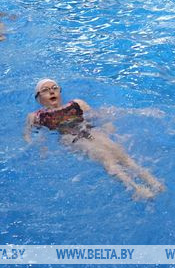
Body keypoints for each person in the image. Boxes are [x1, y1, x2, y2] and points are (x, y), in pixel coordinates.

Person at [24, 79, 165, 201]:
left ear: (60, 91)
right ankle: (136, 188)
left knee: (120, 153)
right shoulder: (36, 116)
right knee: (105, 157)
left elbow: (96, 115)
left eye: (55, 88)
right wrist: (40, 147)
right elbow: (28, 135)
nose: (51, 91)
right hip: (70, 138)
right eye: (45, 90)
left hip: (89, 130)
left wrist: (108, 125)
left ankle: (152, 181)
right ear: (38, 98)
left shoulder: (77, 103)